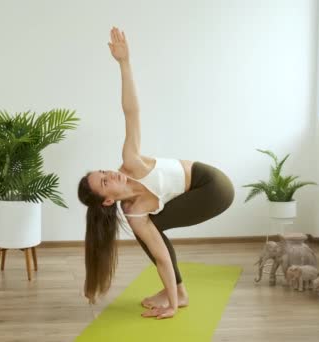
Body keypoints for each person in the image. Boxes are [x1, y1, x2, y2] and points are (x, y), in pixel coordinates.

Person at [77, 27, 235, 320]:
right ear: (108, 201)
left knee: (151, 228)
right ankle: (178, 293)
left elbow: (131, 112)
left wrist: (124, 63)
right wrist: (172, 307)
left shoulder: (131, 161)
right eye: (104, 181)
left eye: (103, 171)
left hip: (213, 185)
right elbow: (161, 256)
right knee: (148, 231)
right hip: (196, 196)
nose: (110, 174)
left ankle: (178, 293)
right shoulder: (135, 213)